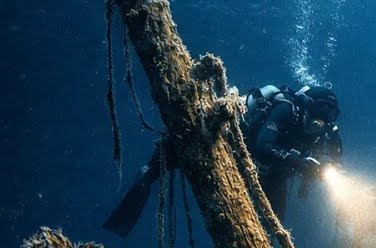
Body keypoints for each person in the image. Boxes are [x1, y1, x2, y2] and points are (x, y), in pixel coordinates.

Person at [102, 84, 343, 237]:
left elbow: (335, 158)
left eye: (328, 117)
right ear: (309, 107)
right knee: (158, 168)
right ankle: (134, 197)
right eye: (320, 114)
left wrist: (330, 167)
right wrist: (303, 162)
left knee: (274, 222)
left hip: (273, 169)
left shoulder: (325, 131)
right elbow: (262, 146)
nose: (320, 123)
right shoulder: (286, 110)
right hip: (236, 149)